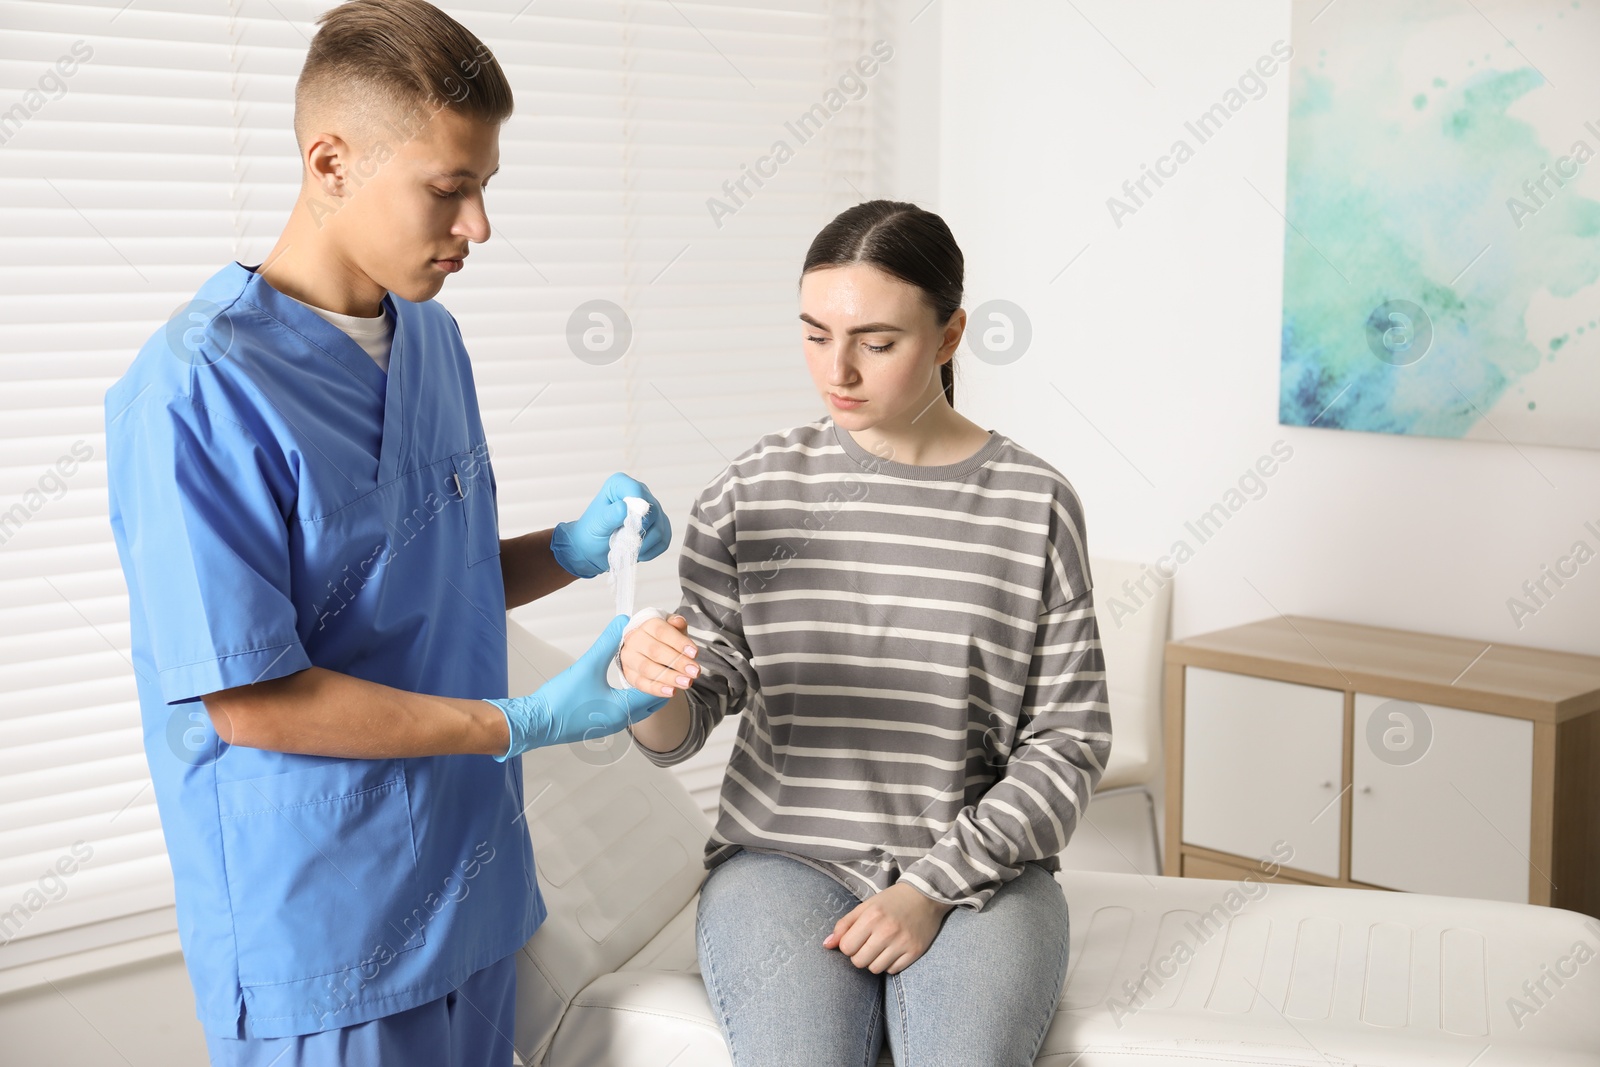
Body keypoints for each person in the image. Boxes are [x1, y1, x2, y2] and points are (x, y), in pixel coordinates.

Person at [102, 3, 666, 1064]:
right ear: (330, 162)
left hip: (475, 884)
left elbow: (423, 585)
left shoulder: (436, 342)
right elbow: (251, 694)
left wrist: (571, 547)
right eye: (449, 190)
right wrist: (524, 720)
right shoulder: (195, 389)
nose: (478, 227)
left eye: (486, 187)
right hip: (328, 925)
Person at [615, 199, 1113, 1066]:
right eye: (814, 335)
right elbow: (688, 720)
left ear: (950, 335)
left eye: (876, 343)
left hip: (980, 868)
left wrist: (930, 886)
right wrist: (641, 682)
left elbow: (1068, 742)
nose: (836, 371)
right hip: (784, 857)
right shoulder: (750, 492)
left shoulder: (1034, 503)